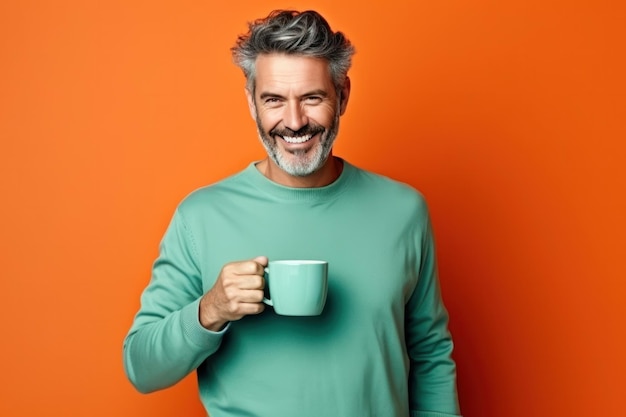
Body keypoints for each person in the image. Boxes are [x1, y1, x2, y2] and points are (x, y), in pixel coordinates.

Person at [123, 9, 462, 417]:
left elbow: (430, 354)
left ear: (344, 95)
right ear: (252, 103)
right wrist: (209, 310)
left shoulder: (404, 211)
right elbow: (141, 368)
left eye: (312, 98)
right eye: (274, 101)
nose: (295, 122)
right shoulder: (201, 216)